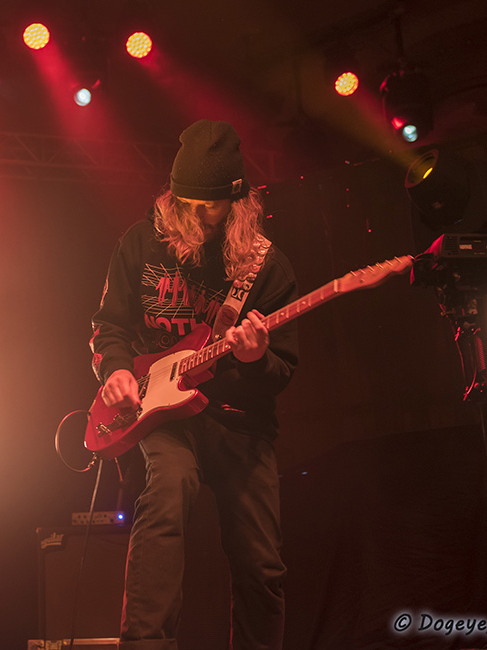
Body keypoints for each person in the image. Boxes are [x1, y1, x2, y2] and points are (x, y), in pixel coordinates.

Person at [90, 119, 299, 650]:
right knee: (165, 496)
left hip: (239, 421)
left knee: (262, 565)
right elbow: (109, 326)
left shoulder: (266, 266)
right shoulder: (140, 243)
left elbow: (282, 371)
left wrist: (255, 358)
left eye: (211, 207)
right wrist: (115, 368)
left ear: (238, 201)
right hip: (165, 418)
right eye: (188, 204)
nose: (198, 217)